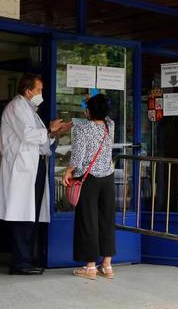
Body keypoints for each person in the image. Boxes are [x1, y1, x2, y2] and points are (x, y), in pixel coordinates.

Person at [0, 73, 71, 275]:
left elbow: (40, 140)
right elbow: (28, 135)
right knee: (22, 216)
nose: (41, 94)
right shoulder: (17, 106)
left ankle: (28, 259)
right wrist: (49, 129)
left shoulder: (30, 109)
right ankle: (20, 263)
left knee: (31, 215)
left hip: (33, 166)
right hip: (22, 169)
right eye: (39, 90)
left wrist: (53, 132)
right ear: (28, 91)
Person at [62, 94, 116, 280]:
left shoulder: (82, 128)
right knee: (106, 220)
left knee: (88, 221)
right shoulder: (110, 126)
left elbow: (77, 156)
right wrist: (94, 99)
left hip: (89, 179)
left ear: (88, 111)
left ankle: (90, 267)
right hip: (108, 179)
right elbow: (106, 114)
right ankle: (107, 266)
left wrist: (68, 172)